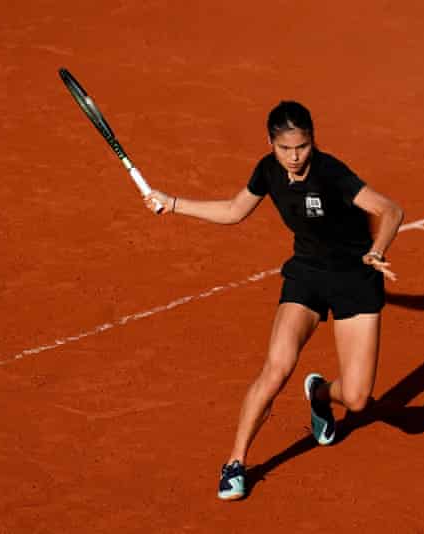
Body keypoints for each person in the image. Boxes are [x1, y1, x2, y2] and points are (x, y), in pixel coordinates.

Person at [143, 101, 404, 500]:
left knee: (356, 398)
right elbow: (234, 211)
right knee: (277, 368)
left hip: (356, 279)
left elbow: (390, 209)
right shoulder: (268, 171)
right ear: (270, 144)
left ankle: (318, 396)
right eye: (285, 148)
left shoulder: (331, 172)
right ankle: (235, 463)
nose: (295, 157)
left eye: (302, 147)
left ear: (312, 141)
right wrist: (173, 202)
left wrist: (377, 250)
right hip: (308, 275)